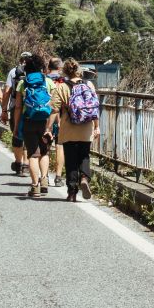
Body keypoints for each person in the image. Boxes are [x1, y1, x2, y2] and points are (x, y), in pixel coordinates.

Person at [10, 54, 58, 197]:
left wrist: (17, 125)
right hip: (45, 122)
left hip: (28, 120)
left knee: (32, 154)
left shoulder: (22, 83)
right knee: (44, 152)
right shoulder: (48, 82)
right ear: (41, 67)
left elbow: (18, 107)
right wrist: (51, 126)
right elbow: (54, 106)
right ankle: (44, 180)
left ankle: (34, 186)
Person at [53, 59, 100, 202]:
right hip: (86, 127)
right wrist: (97, 127)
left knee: (71, 160)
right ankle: (85, 177)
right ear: (79, 70)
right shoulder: (89, 84)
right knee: (84, 155)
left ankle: (72, 192)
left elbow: (54, 108)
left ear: (65, 71)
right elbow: (94, 108)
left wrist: (49, 127)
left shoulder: (61, 87)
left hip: (68, 128)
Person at [2, 52, 32, 176]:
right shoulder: (36, 72)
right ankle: (26, 165)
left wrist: (4, 110)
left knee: (16, 134)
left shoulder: (13, 72)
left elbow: (7, 91)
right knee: (28, 137)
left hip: (16, 108)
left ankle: (18, 163)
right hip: (31, 109)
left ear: (20, 60)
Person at [45, 57, 66, 188]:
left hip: (45, 116)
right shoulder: (64, 81)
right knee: (60, 145)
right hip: (61, 117)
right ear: (60, 68)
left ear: (49, 67)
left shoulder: (44, 79)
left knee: (45, 145)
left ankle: (44, 175)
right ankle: (58, 177)